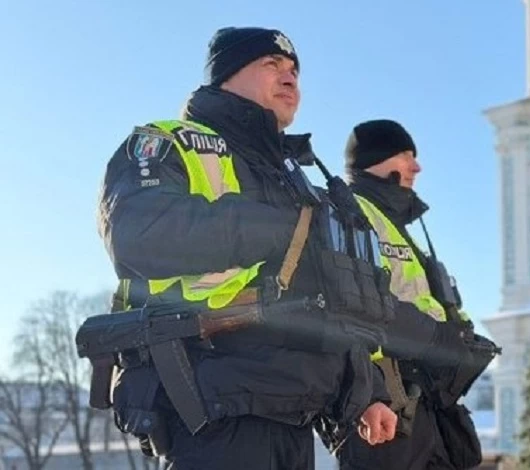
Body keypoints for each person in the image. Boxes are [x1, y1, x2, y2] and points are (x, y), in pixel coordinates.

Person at [95, 27, 398, 469]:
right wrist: (285, 228)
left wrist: (369, 392)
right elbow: (138, 233)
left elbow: (330, 300)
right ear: (227, 75)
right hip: (214, 406)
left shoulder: (300, 180)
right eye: (272, 65)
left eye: (294, 70)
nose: (290, 78)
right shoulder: (170, 141)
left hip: (295, 409)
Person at [328, 119, 488, 470]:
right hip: (385, 406)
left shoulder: (400, 225)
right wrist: (436, 337)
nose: (417, 167)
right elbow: (354, 306)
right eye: (405, 155)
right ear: (375, 158)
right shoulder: (347, 211)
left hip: (428, 403)